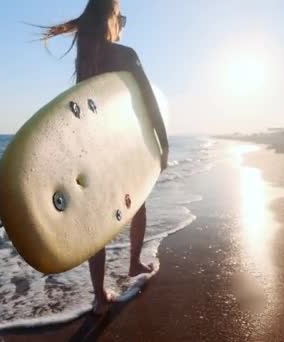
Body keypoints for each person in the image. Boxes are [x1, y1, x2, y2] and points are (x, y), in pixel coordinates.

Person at [40, 0, 169, 314]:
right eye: (120, 16)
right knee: (137, 201)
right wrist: (163, 146)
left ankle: (99, 296)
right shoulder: (125, 55)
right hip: (123, 146)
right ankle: (135, 263)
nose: (122, 23)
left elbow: (80, 112)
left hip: (92, 149)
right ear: (110, 18)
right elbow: (149, 104)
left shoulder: (86, 60)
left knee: (96, 219)